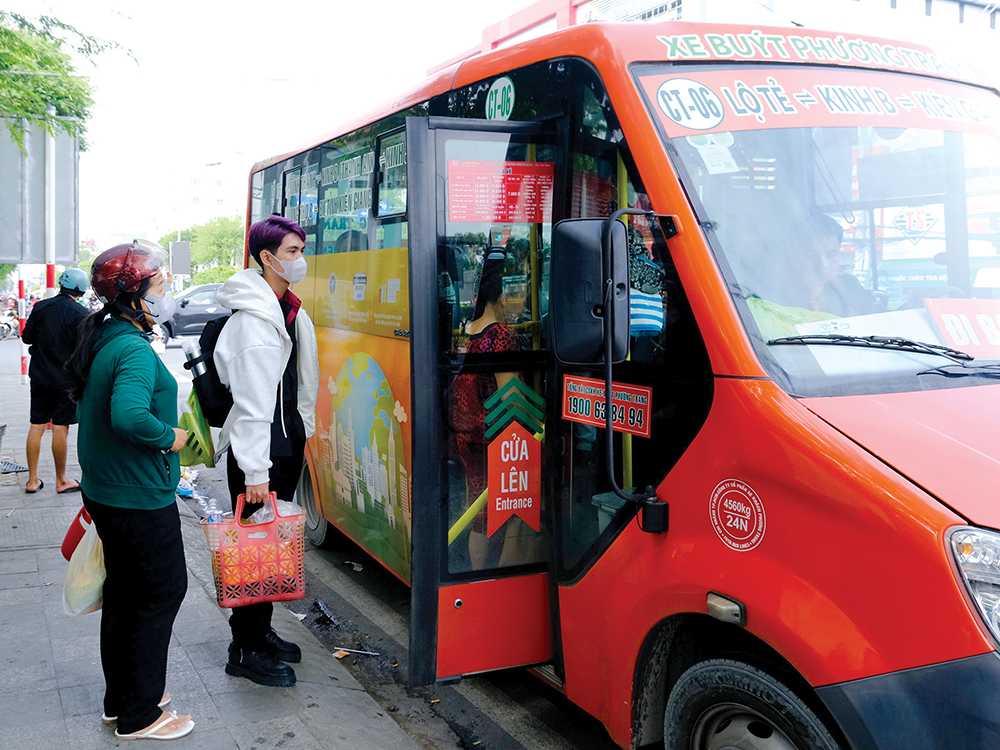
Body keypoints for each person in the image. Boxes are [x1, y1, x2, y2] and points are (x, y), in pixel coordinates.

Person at [67, 241, 194, 741]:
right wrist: (172, 438)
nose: (167, 293)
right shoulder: (133, 349)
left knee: (125, 596)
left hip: (108, 490)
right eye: (160, 285)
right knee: (161, 593)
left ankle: (123, 699)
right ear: (133, 295)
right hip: (136, 495)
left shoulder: (107, 336)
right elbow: (129, 416)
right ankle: (141, 714)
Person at [214, 215, 319, 687]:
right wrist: (256, 471)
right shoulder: (254, 322)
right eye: (293, 252)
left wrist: (304, 431)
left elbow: (302, 383)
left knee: (271, 546)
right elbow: (253, 407)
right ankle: (245, 648)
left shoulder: (288, 309)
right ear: (267, 258)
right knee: (253, 551)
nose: (300, 259)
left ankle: (261, 631)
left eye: (301, 250)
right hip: (260, 455)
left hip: (284, 444)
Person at [450, 250, 532, 570]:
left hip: (468, 435)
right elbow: (509, 397)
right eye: (519, 288)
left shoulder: (469, 330)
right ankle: (496, 580)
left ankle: (477, 576)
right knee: (516, 512)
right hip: (496, 438)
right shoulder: (500, 335)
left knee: (480, 515)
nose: (523, 297)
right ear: (503, 293)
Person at [21, 268, 89, 494]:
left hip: (39, 376)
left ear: (62, 284)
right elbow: (84, 351)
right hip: (65, 380)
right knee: (61, 427)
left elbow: (27, 337)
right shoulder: (81, 313)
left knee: (37, 425)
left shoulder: (41, 307)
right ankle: (61, 480)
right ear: (81, 289)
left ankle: (32, 481)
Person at [777, 214, 873, 318]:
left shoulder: (850, 288)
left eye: (831, 255)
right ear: (795, 256)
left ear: (839, 254)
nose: (823, 265)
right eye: (812, 256)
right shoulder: (776, 295)